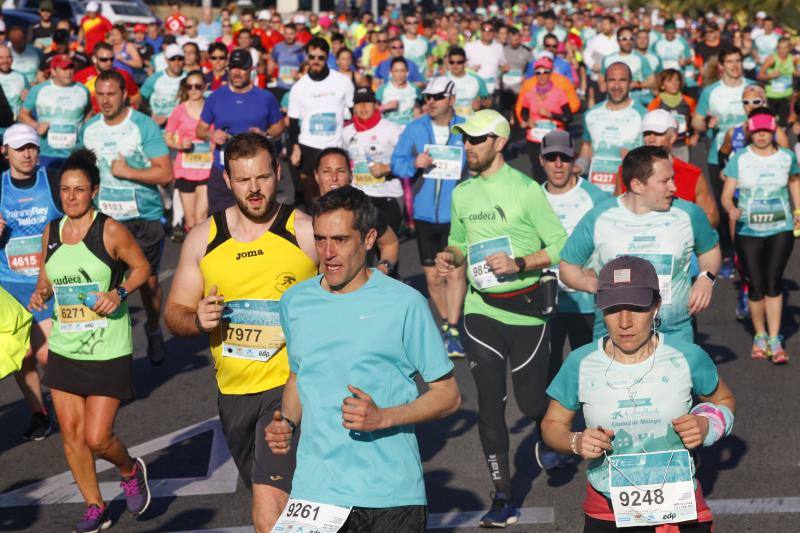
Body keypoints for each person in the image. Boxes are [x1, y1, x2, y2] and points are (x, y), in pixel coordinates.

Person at [266, 185, 460, 533]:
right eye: (320, 239)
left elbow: (448, 396)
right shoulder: (295, 302)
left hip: (389, 495)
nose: (328, 253)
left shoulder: (405, 304)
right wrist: (288, 424)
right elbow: (298, 376)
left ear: (369, 239)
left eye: (340, 240)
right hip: (316, 491)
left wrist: (385, 417)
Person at [164, 133, 317, 532]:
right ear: (227, 180)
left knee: (268, 511)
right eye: (244, 180)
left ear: (277, 173)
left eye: (262, 177)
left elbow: (350, 295)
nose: (254, 189)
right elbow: (174, 312)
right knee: (285, 501)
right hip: (234, 394)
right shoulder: (204, 238)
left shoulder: (304, 232)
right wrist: (197, 319)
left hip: (292, 388)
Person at [435, 110, 567, 527]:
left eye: (476, 139)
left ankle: (552, 432)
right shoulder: (463, 193)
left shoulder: (525, 190)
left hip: (528, 313)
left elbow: (560, 245)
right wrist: (450, 256)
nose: (468, 146)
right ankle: (503, 495)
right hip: (482, 311)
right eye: (465, 139)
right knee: (490, 406)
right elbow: (458, 241)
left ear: (499, 142)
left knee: (531, 404)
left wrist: (520, 263)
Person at [542, 255, 735, 532]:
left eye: (636, 308)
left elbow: (724, 400)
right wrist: (576, 441)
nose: (624, 322)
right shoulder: (580, 362)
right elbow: (552, 425)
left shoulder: (687, 356)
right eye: (613, 309)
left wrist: (708, 425)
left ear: (656, 306)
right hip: (608, 513)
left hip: (678, 509)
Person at [28, 149, 152, 533]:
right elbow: (46, 280)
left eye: (79, 189)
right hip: (66, 347)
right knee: (70, 432)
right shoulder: (52, 231)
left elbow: (142, 268)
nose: (71, 196)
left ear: (94, 191)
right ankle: (94, 506)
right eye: (65, 189)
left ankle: (129, 470)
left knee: (97, 437)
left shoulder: (109, 230)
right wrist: (41, 294)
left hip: (108, 348)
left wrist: (118, 292)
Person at [560, 145, 721, 343]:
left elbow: (710, 250)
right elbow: (568, 267)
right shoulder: (599, 217)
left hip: (674, 336)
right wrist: (596, 285)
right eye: (665, 181)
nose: (674, 187)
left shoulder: (689, 214)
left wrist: (706, 279)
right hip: (614, 340)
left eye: (672, 179)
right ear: (637, 185)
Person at [80, 69, 173, 366]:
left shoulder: (142, 126)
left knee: (147, 282)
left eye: (111, 94)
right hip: (105, 219)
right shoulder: (89, 129)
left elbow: (165, 173)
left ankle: (153, 328)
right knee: (102, 283)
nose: (105, 100)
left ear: (124, 95)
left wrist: (127, 171)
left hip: (142, 217)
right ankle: (108, 351)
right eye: (100, 94)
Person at [391, 77, 468, 356]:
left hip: (456, 214)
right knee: (434, 278)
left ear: (451, 99)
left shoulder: (465, 129)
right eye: (427, 97)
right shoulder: (415, 128)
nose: (430, 102)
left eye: (437, 97)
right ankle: (448, 324)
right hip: (424, 215)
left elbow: (482, 161)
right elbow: (396, 162)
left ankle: (453, 328)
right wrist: (414, 163)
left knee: (455, 273)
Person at [721, 108, 800, 364]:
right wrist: (731, 208)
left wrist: (798, 210)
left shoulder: (787, 157)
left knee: (773, 282)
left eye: (766, 131)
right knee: (755, 284)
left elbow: (794, 182)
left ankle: (775, 339)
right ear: (750, 132)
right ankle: (760, 335)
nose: (762, 136)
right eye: (757, 131)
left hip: (780, 228)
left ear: (773, 131)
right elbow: (726, 194)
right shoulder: (740, 158)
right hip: (748, 229)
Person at [0, 124, 62, 441]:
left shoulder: (52, 181)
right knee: (21, 354)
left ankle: (70, 401)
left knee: (46, 356)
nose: (26, 154)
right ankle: (39, 413)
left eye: (32, 147)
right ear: (5, 152)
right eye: (19, 148)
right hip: (8, 285)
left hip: (46, 283)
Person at [540, 130, 609, 393]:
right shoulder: (532, 197)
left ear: (574, 160)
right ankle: (548, 420)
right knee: (548, 372)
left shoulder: (596, 197)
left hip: (586, 303)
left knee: (591, 373)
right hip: (547, 301)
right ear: (541, 160)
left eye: (564, 158)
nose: (558, 164)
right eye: (551, 157)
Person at [196, 48, 284, 214]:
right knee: (221, 221)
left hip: (256, 172)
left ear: (251, 69)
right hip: (223, 170)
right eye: (234, 68)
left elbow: (279, 126)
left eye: (242, 68)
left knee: (257, 219)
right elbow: (200, 129)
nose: (237, 73)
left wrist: (265, 134)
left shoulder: (265, 97)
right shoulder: (215, 97)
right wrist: (211, 134)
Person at [692, 45, 753, 279]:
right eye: (730, 61)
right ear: (721, 66)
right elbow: (696, 121)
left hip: (750, 157)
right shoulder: (711, 91)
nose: (735, 66)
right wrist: (705, 122)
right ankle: (728, 255)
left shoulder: (752, 87)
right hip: (719, 157)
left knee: (747, 206)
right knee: (724, 207)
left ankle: (748, 254)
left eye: (738, 60)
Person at [617, 109, 719, 228]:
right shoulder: (626, 172)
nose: (651, 139)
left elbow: (711, 217)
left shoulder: (693, 175)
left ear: (672, 137)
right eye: (647, 133)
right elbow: (615, 211)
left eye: (658, 134)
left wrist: (680, 233)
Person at [287, 37, 355, 206]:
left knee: (336, 199)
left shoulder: (343, 82)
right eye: (312, 57)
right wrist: (295, 147)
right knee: (311, 200)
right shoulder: (299, 87)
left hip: (335, 146)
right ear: (307, 57)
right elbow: (293, 121)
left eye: (320, 57)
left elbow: (354, 112)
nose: (316, 61)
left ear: (327, 57)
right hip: (308, 147)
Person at [576, 62, 647, 194]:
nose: (616, 86)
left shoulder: (643, 115)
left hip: (629, 194)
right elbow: (587, 147)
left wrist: (632, 160)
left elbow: (650, 159)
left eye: (622, 80)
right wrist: (578, 167)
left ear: (630, 83)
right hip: (596, 193)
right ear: (605, 83)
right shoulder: (591, 114)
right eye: (612, 80)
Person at [19, 54, 91, 170]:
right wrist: (36, 125)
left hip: (75, 153)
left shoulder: (83, 90)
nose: (68, 72)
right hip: (46, 154)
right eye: (64, 69)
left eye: (71, 68)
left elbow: (88, 113)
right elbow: (23, 114)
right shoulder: (38, 90)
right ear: (53, 71)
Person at [165, 71, 210, 237]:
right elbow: (168, 138)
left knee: (201, 219)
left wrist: (214, 142)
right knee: (190, 222)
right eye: (189, 86)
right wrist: (179, 145)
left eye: (198, 86)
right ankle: (193, 247)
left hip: (207, 169)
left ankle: (203, 251)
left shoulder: (211, 108)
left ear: (204, 87)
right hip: (185, 169)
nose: (193, 90)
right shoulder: (179, 110)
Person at [516, 56, 572, 182]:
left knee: (554, 169)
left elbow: (569, 117)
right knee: (537, 168)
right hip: (534, 137)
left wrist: (552, 115)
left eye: (545, 72)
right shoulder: (529, 94)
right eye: (538, 72)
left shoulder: (559, 93)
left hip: (554, 138)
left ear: (550, 73)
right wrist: (526, 121)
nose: (542, 75)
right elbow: (524, 114)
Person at [74, 43, 142, 114]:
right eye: (104, 59)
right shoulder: (80, 76)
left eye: (112, 59)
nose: (109, 62)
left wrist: (128, 112)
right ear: (94, 59)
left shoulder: (123, 75)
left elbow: (136, 97)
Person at [647, 69, 697, 162]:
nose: (674, 83)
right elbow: (649, 126)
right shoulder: (655, 103)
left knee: (682, 170)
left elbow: (696, 120)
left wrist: (696, 135)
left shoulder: (689, 101)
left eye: (676, 80)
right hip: (662, 147)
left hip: (682, 145)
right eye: (669, 81)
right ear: (662, 85)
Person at [140, 44, 187, 128]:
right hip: (157, 126)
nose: (176, 63)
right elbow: (139, 99)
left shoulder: (188, 78)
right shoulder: (155, 78)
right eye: (172, 59)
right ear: (166, 60)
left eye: (180, 59)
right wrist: (151, 114)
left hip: (179, 125)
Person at [757, 37, 799, 126]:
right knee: (769, 123)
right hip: (772, 96)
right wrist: (770, 76)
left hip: (786, 97)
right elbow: (759, 76)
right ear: (777, 48)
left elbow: (796, 73)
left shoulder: (793, 59)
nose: (782, 51)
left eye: (785, 48)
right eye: (780, 48)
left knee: (783, 124)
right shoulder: (771, 59)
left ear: (789, 48)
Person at [445, 47, 490, 119]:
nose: (455, 65)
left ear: (465, 62)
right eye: (452, 62)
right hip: (449, 122)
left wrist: (481, 103)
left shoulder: (477, 79)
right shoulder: (443, 80)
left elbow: (488, 101)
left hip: (472, 123)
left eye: (459, 62)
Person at [376, 57, 420, 128]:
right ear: (391, 72)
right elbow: (373, 110)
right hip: (389, 128)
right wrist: (385, 106)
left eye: (402, 71)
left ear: (407, 72)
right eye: (396, 71)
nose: (399, 74)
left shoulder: (414, 89)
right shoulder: (383, 89)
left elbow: (420, 107)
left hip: (409, 128)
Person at [465, 21, 506, 95]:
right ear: (481, 32)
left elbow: (503, 65)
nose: (488, 32)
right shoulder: (470, 46)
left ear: (494, 32)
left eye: (490, 30)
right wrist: (470, 70)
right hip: (475, 90)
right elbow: (460, 66)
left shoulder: (499, 47)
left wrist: (504, 68)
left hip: (493, 90)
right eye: (485, 30)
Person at [269, 24, 305, 102]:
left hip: (296, 87)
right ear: (283, 34)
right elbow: (271, 62)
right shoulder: (278, 47)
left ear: (296, 34)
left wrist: (301, 74)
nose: (289, 36)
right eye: (286, 34)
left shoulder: (301, 47)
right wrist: (270, 76)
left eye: (291, 34)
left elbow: (306, 65)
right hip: (280, 87)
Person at [0, 44, 29, 132]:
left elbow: (28, 103)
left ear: (12, 59)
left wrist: (27, 99)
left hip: (16, 127)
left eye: (8, 57)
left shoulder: (21, 77)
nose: (5, 61)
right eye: (1, 57)